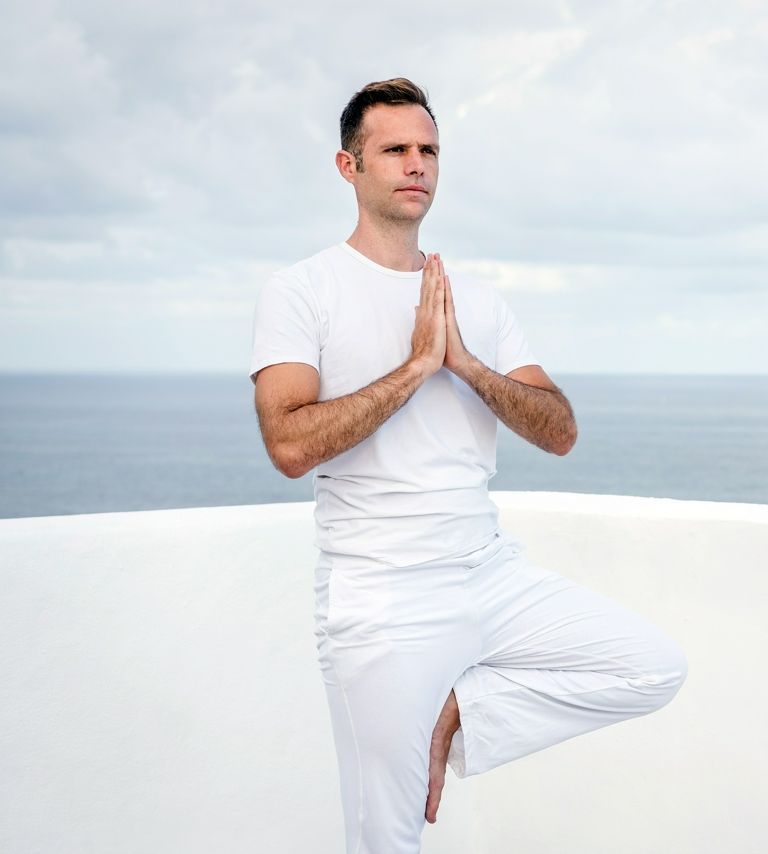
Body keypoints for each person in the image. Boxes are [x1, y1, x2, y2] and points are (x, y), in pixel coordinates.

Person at [250, 78, 686, 854]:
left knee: (652, 667)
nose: (416, 164)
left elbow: (559, 431)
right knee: (387, 841)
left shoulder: (477, 301)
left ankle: (462, 712)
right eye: (395, 149)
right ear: (349, 167)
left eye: (428, 150)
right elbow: (288, 445)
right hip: (382, 597)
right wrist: (416, 368)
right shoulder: (301, 290)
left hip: (488, 573)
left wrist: (466, 365)